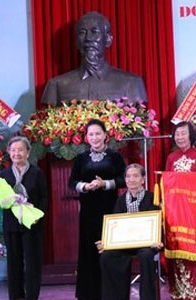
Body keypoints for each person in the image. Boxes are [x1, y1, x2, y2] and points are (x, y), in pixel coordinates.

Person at [69, 118, 126, 300]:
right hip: (87, 211)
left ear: (105, 135)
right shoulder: (81, 158)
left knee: (109, 249)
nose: (94, 137)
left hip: (110, 209)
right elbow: (72, 182)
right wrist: (85, 187)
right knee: (89, 249)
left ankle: (110, 292)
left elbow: (124, 179)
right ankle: (89, 293)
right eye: (91, 134)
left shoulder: (114, 157)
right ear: (87, 137)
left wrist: (105, 184)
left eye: (98, 133)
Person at [42, 11, 147, 105]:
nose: (88, 38)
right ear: (76, 42)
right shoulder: (56, 86)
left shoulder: (132, 83)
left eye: (94, 32)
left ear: (108, 39)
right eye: (82, 33)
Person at [97, 163, 163, 300]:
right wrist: (106, 242)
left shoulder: (152, 198)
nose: (131, 179)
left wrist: (158, 241)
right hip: (124, 244)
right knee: (107, 256)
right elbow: (115, 225)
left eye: (135, 176)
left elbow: (158, 224)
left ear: (143, 179)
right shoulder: (120, 200)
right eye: (128, 176)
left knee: (146, 256)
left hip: (147, 244)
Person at [165, 121, 196, 300]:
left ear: (191, 135)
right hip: (176, 212)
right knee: (177, 250)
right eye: (177, 134)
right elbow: (167, 184)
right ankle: (179, 292)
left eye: (183, 133)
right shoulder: (172, 157)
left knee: (195, 252)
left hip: (195, 213)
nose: (180, 137)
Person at [0, 136, 47, 300]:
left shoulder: (36, 172)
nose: (16, 153)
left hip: (32, 224)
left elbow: (44, 199)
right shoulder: (3, 175)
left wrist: (35, 215)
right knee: (14, 262)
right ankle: (16, 296)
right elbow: (0, 201)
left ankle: (32, 296)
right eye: (13, 150)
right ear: (9, 153)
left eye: (20, 150)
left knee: (32, 263)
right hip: (11, 224)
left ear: (27, 153)